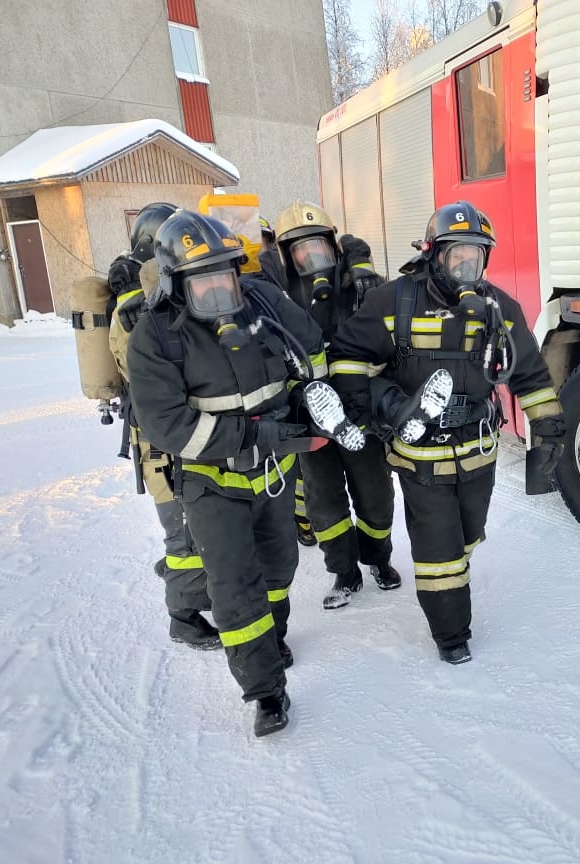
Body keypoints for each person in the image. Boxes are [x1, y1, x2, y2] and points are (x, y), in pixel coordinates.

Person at [126, 210, 366, 737]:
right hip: (212, 484)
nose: (218, 287)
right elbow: (168, 426)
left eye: (225, 273)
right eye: (203, 278)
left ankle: (273, 637)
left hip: (275, 475)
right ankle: (265, 692)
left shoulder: (263, 302)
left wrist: (314, 403)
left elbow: (311, 352)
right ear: (174, 282)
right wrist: (256, 436)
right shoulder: (156, 336)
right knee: (235, 589)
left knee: (279, 570)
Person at [327, 201, 566, 664]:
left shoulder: (500, 308)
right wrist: (384, 407)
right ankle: (451, 635)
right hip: (419, 452)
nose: (465, 265)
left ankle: (455, 579)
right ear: (434, 254)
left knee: (467, 536)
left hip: (478, 448)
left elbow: (531, 375)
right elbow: (347, 361)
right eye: (456, 254)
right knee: (439, 551)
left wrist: (550, 430)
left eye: (475, 256)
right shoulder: (393, 301)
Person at [272, 202, 455, 609]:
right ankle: (344, 573)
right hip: (311, 420)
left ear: (334, 246)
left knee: (375, 495)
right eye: (300, 250)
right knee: (324, 502)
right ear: (286, 255)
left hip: (361, 411)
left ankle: (378, 560)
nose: (310, 257)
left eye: (318, 245)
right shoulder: (277, 302)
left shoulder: (361, 287)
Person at [107, 202, 219, 651]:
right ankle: (185, 617)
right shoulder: (136, 310)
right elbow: (145, 373)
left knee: (187, 523)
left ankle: (188, 580)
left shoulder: (144, 297)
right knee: (182, 528)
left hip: (159, 432)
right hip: (161, 438)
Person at [256, 215, 315, 548]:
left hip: (294, 382)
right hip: (266, 387)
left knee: (302, 464)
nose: (259, 247)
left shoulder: (285, 278)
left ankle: (304, 520)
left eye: (264, 240)